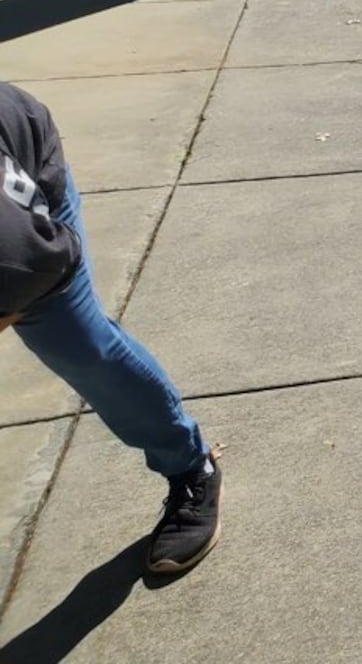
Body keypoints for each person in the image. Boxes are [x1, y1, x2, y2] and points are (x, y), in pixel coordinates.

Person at [1, 82, 221, 575]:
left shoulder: (10, 252)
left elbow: (48, 261)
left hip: (26, 190)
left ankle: (190, 465)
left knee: (77, 343)